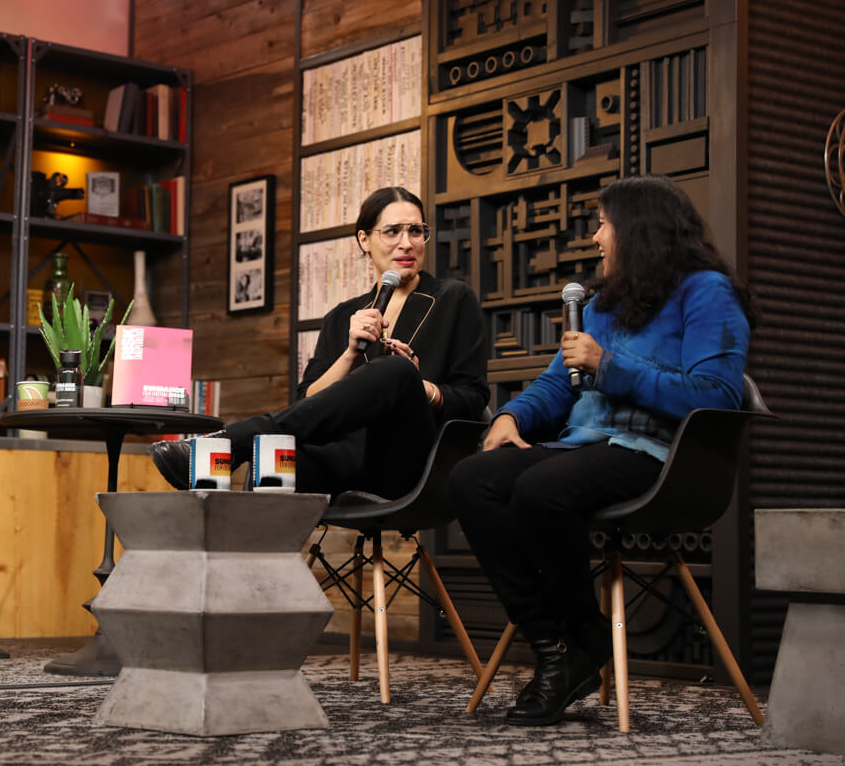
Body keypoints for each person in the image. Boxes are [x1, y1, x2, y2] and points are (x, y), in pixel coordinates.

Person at [448, 174, 755, 726]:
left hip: (663, 457)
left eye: (603, 225)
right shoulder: (599, 308)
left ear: (637, 230)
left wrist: (607, 366)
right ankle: (562, 649)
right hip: (587, 449)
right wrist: (513, 415)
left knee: (541, 489)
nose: (595, 238)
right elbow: (556, 382)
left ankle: (577, 644)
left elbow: (716, 396)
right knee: (473, 478)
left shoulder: (707, 291)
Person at [150, 186, 489, 499]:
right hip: (341, 461)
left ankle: (234, 441)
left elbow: (473, 399)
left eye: (416, 231)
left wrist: (420, 386)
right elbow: (308, 403)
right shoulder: (343, 317)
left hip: (412, 464)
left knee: (398, 372)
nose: (407, 243)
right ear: (364, 240)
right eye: (392, 231)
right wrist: (349, 354)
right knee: (274, 454)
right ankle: (257, 559)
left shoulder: (452, 299)